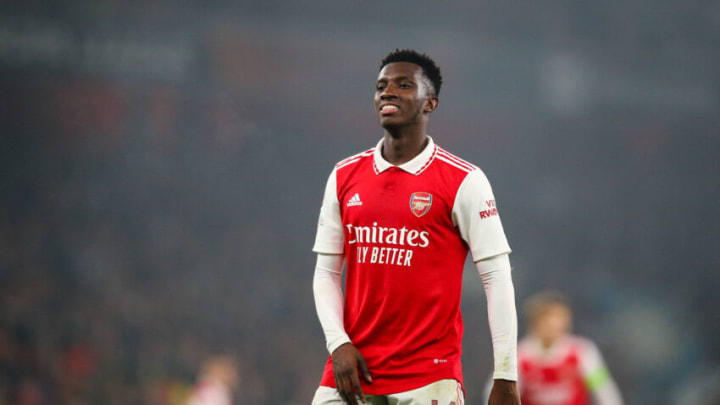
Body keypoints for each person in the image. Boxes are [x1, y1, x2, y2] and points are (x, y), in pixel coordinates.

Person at [311, 49, 521, 405]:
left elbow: (496, 278)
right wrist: (338, 342)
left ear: (430, 103)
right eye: (381, 87)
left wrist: (506, 374)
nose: (387, 93)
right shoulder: (344, 176)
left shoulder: (464, 181)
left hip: (428, 378)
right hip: (352, 370)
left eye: (403, 85)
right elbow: (326, 273)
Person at [516, 292, 623, 405]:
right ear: (534, 321)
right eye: (547, 317)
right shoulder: (519, 356)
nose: (553, 323)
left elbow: (604, 390)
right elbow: (501, 394)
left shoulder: (582, 352)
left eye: (559, 317)